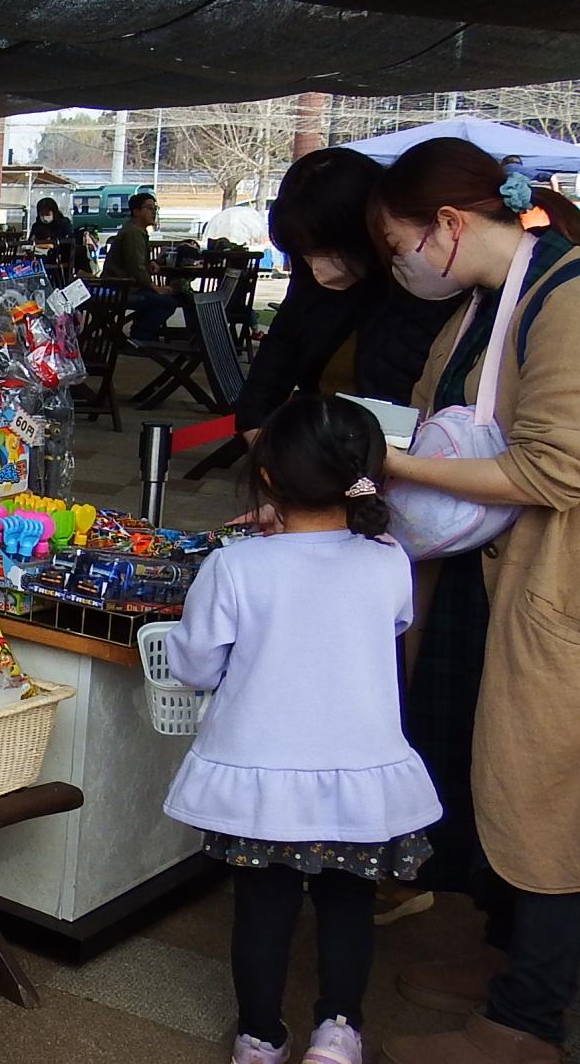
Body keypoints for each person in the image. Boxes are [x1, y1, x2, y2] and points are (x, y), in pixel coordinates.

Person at [366, 139, 580, 1064]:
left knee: (545, 791)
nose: (398, 266)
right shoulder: (488, 306)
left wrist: (384, 465)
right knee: (484, 760)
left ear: (448, 225)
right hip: (483, 577)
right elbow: (429, 410)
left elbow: (554, 466)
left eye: (395, 244)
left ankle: (528, 1021)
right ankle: (510, 964)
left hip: (550, 577)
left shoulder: (566, 297)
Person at [162, 394, 441, 1064]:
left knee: (263, 905)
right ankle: (338, 1032)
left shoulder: (235, 566)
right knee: (348, 902)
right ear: (366, 472)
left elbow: (196, 664)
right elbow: (389, 627)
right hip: (361, 774)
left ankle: (258, 1037)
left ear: (266, 478)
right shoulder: (388, 560)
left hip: (260, 777)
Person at [234, 148, 464, 438]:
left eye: (328, 250)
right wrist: (255, 429)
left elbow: (398, 388)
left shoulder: (422, 285)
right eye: (305, 253)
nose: (317, 265)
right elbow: (279, 352)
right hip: (325, 444)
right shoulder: (312, 285)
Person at [100, 191, 180, 339]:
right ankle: (140, 336)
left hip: (127, 286)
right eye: (149, 208)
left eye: (155, 209)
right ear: (136, 211)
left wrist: (149, 263)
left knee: (167, 297)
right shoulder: (133, 233)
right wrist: (156, 288)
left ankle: (142, 332)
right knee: (168, 302)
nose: (153, 212)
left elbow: (137, 262)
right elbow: (136, 269)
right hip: (121, 288)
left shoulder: (137, 230)